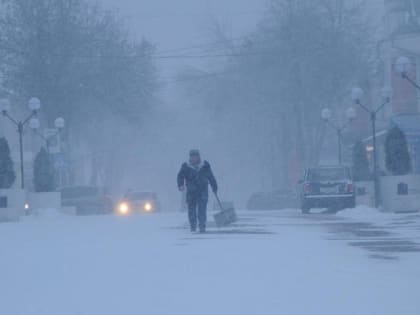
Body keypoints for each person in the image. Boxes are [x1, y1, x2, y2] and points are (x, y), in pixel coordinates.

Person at [177, 149, 218, 233]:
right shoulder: (186, 167)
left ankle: (202, 226)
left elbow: (211, 177)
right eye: (192, 156)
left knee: (202, 210)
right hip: (191, 192)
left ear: (199, 157)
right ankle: (193, 226)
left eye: (196, 156)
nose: (194, 158)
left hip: (203, 191)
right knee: (191, 210)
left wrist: (214, 186)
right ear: (190, 158)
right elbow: (180, 176)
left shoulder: (205, 166)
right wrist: (180, 185)